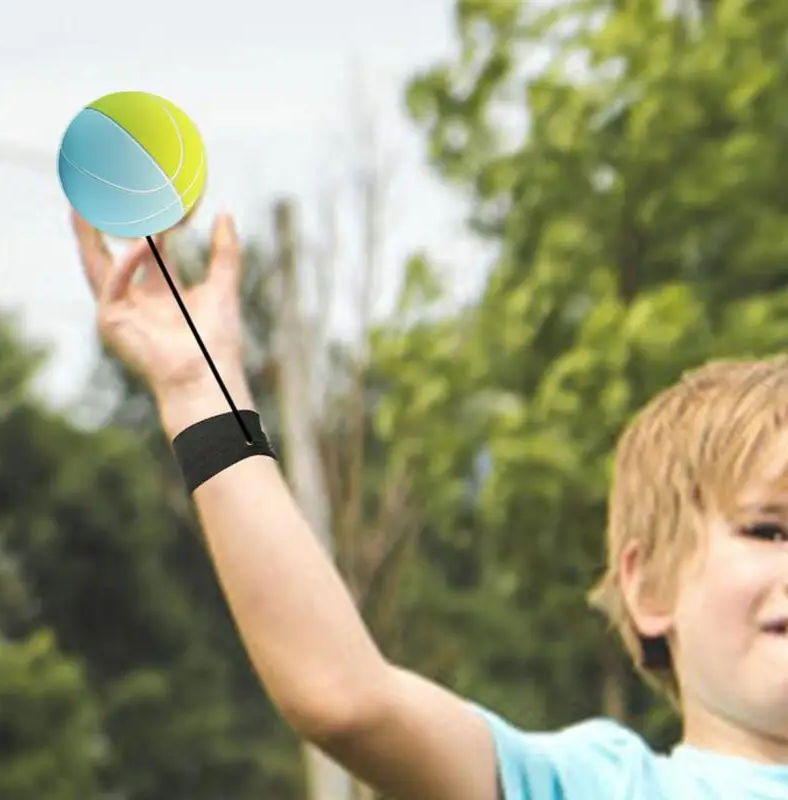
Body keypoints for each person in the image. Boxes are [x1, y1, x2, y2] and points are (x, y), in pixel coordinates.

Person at [73, 209, 788, 799]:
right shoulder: (604, 787)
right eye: (769, 528)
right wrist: (203, 390)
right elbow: (344, 697)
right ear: (652, 585)